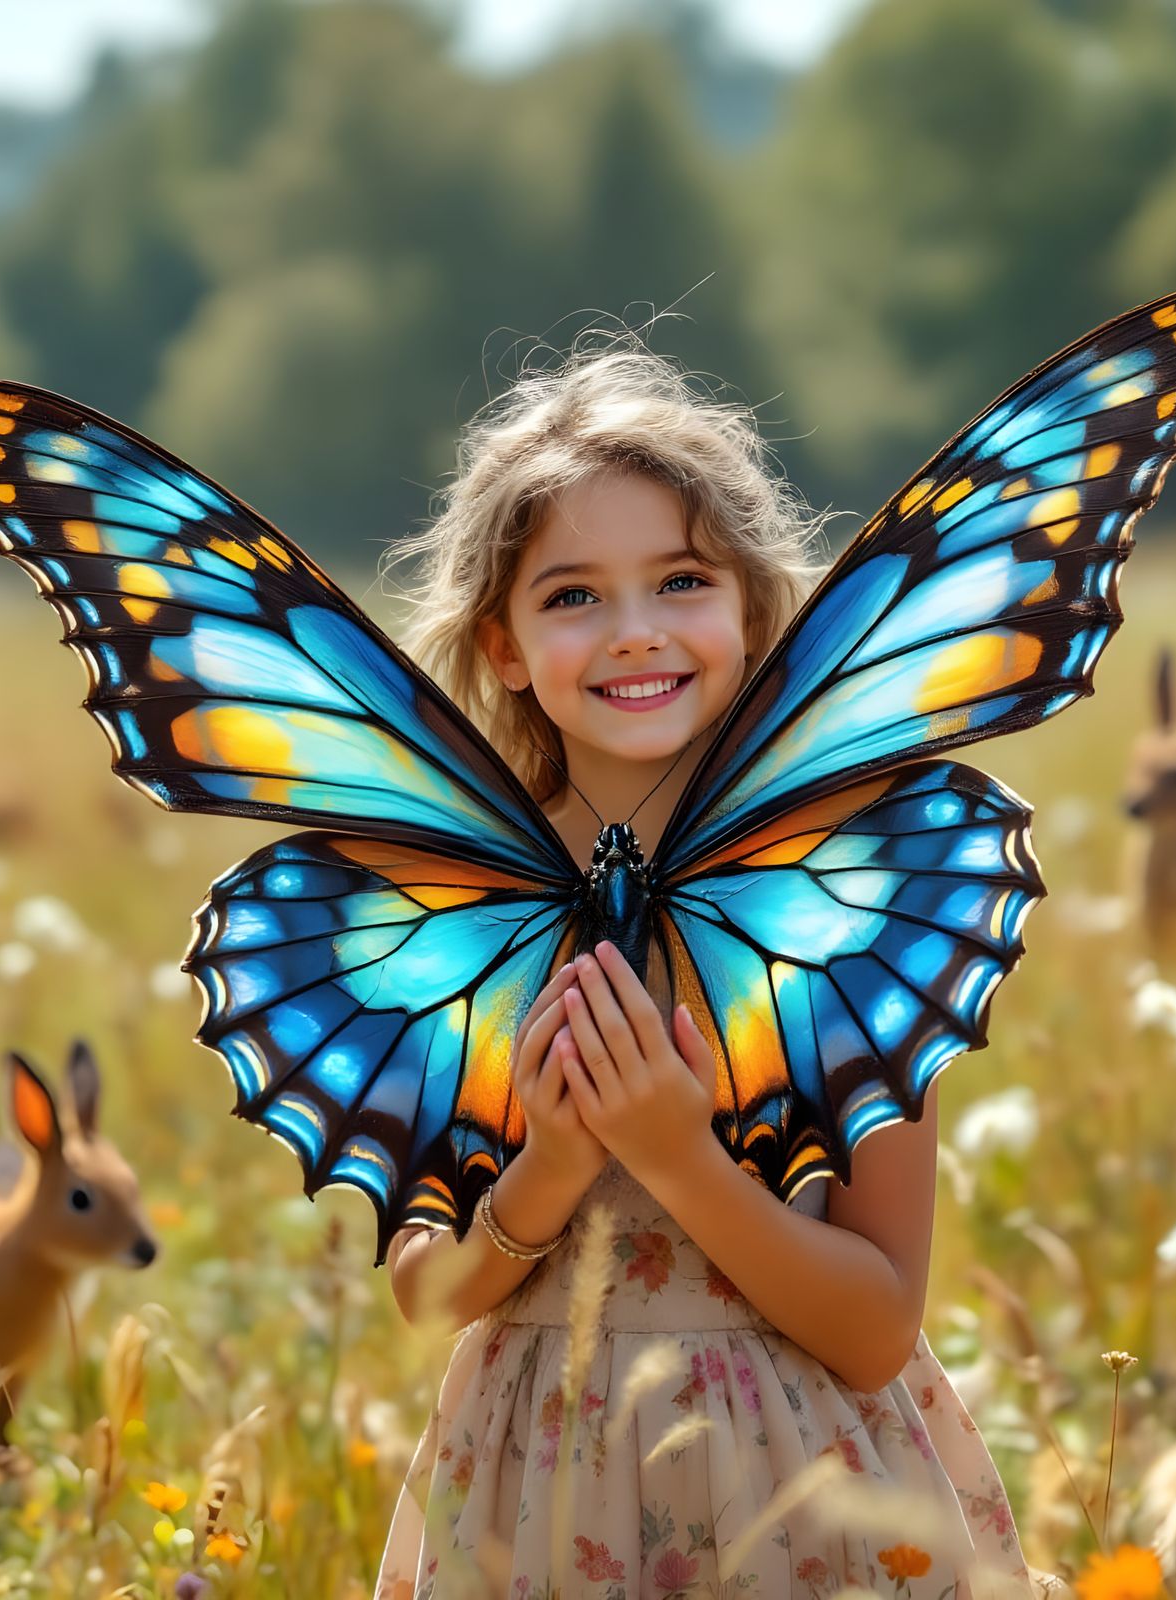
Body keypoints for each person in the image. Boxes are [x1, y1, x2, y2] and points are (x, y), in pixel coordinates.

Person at [371, 334, 1043, 1600]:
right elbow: (427, 1290)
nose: (634, 634)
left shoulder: (848, 905)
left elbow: (874, 1323)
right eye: (570, 595)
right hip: (537, 1495)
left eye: (680, 580)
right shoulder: (453, 917)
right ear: (503, 643)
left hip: (798, 1501)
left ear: (751, 605)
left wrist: (683, 1159)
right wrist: (554, 1163)